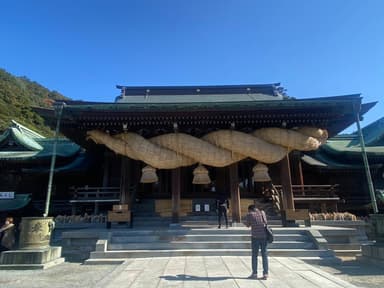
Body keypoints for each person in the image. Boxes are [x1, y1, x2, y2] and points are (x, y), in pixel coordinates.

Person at [244, 204, 269, 280]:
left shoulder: (249, 215)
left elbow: (248, 225)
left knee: (254, 255)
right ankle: (265, 274)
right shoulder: (262, 212)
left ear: (250, 209)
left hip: (255, 237)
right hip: (264, 236)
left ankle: (254, 273)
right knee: (264, 255)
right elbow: (265, 222)